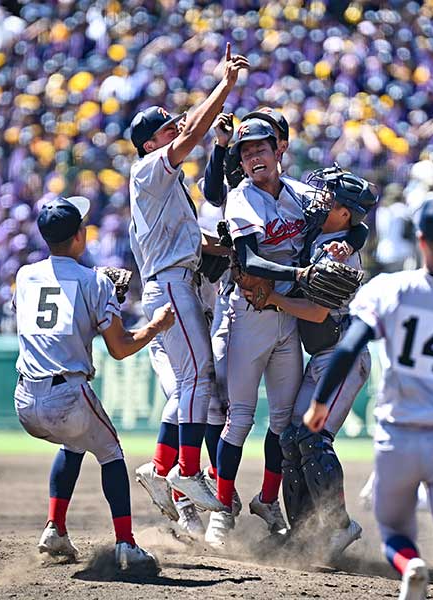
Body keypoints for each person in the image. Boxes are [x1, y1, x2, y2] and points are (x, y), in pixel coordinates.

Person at [307, 197, 433, 600]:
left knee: (395, 533)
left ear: (420, 240)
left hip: (398, 435)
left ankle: (408, 564)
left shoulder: (391, 288)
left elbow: (349, 347)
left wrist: (319, 401)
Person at [13, 196, 175, 573]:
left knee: (74, 444)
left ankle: (55, 528)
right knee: (111, 453)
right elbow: (119, 349)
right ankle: (126, 544)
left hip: (24, 397)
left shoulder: (24, 276)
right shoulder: (95, 281)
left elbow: (47, 321)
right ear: (79, 237)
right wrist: (156, 325)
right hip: (66, 394)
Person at [129, 43, 249, 523]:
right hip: (173, 284)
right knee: (197, 377)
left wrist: (229, 249)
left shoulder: (164, 183)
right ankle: (185, 472)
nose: (174, 128)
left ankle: (165, 470)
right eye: (165, 128)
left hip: (175, 279)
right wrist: (224, 86)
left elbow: (192, 241)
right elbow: (193, 134)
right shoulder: (148, 170)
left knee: (189, 383)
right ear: (149, 144)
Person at [258, 166, 377, 564]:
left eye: (329, 197)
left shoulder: (341, 250)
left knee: (313, 438)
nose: (319, 198)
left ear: (345, 214)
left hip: (344, 354)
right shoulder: (322, 232)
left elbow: (317, 312)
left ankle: (340, 526)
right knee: (291, 439)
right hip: (324, 356)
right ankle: (304, 534)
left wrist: (272, 299)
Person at [205, 118, 312, 546]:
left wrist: (346, 240)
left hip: (288, 317)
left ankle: (268, 500)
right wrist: (300, 272)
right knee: (241, 419)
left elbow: (350, 216)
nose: (253, 157)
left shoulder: (302, 195)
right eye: (246, 152)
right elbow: (249, 261)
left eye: (260, 149)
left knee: (284, 423)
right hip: (249, 314)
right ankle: (220, 510)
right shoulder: (241, 198)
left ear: (279, 149)